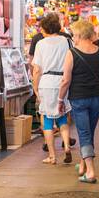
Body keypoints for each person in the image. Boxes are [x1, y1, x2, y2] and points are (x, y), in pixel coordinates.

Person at [57, 19, 99, 184]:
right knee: (89, 131)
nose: (73, 37)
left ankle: (90, 171)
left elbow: (66, 80)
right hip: (97, 98)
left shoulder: (72, 53)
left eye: (74, 34)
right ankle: (82, 165)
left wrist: (60, 99)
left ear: (80, 34)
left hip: (79, 98)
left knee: (84, 133)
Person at [30, 11, 73, 165]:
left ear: (46, 28)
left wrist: (35, 88)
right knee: (62, 116)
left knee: (47, 120)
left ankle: (53, 156)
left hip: (47, 82)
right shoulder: (66, 41)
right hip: (63, 80)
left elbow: (37, 69)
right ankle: (67, 147)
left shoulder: (41, 44)